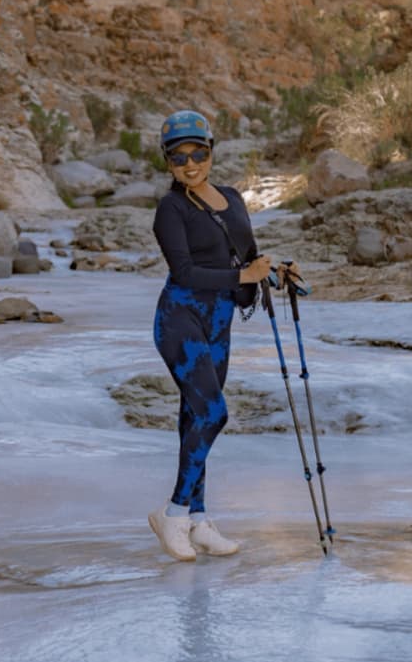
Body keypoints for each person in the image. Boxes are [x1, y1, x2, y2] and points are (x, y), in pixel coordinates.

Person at [147, 109, 282, 562]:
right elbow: (185, 271)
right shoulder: (171, 209)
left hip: (220, 320)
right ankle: (174, 514)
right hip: (180, 320)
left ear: (211, 151)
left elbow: (247, 255)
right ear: (167, 161)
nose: (189, 164)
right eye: (178, 157)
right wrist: (243, 273)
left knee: (194, 416)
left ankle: (199, 521)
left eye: (198, 153)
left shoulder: (231, 198)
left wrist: (275, 271)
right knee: (213, 412)